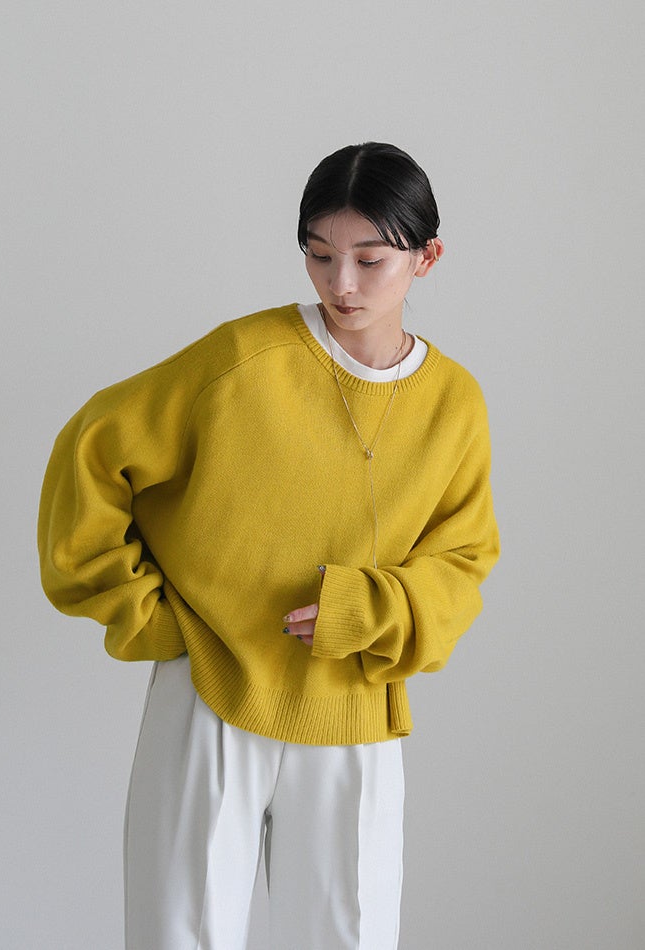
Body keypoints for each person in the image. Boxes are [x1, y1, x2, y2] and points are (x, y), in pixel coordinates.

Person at [38, 142, 500, 950]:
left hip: (355, 704)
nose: (341, 283)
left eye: (370, 260)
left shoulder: (454, 402)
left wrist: (368, 610)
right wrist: (150, 618)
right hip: (210, 690)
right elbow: (91, 451)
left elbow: (463, 562)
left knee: (350, 935)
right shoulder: (244, 359)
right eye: (319, 255)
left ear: (427, 258)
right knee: (181, 934)